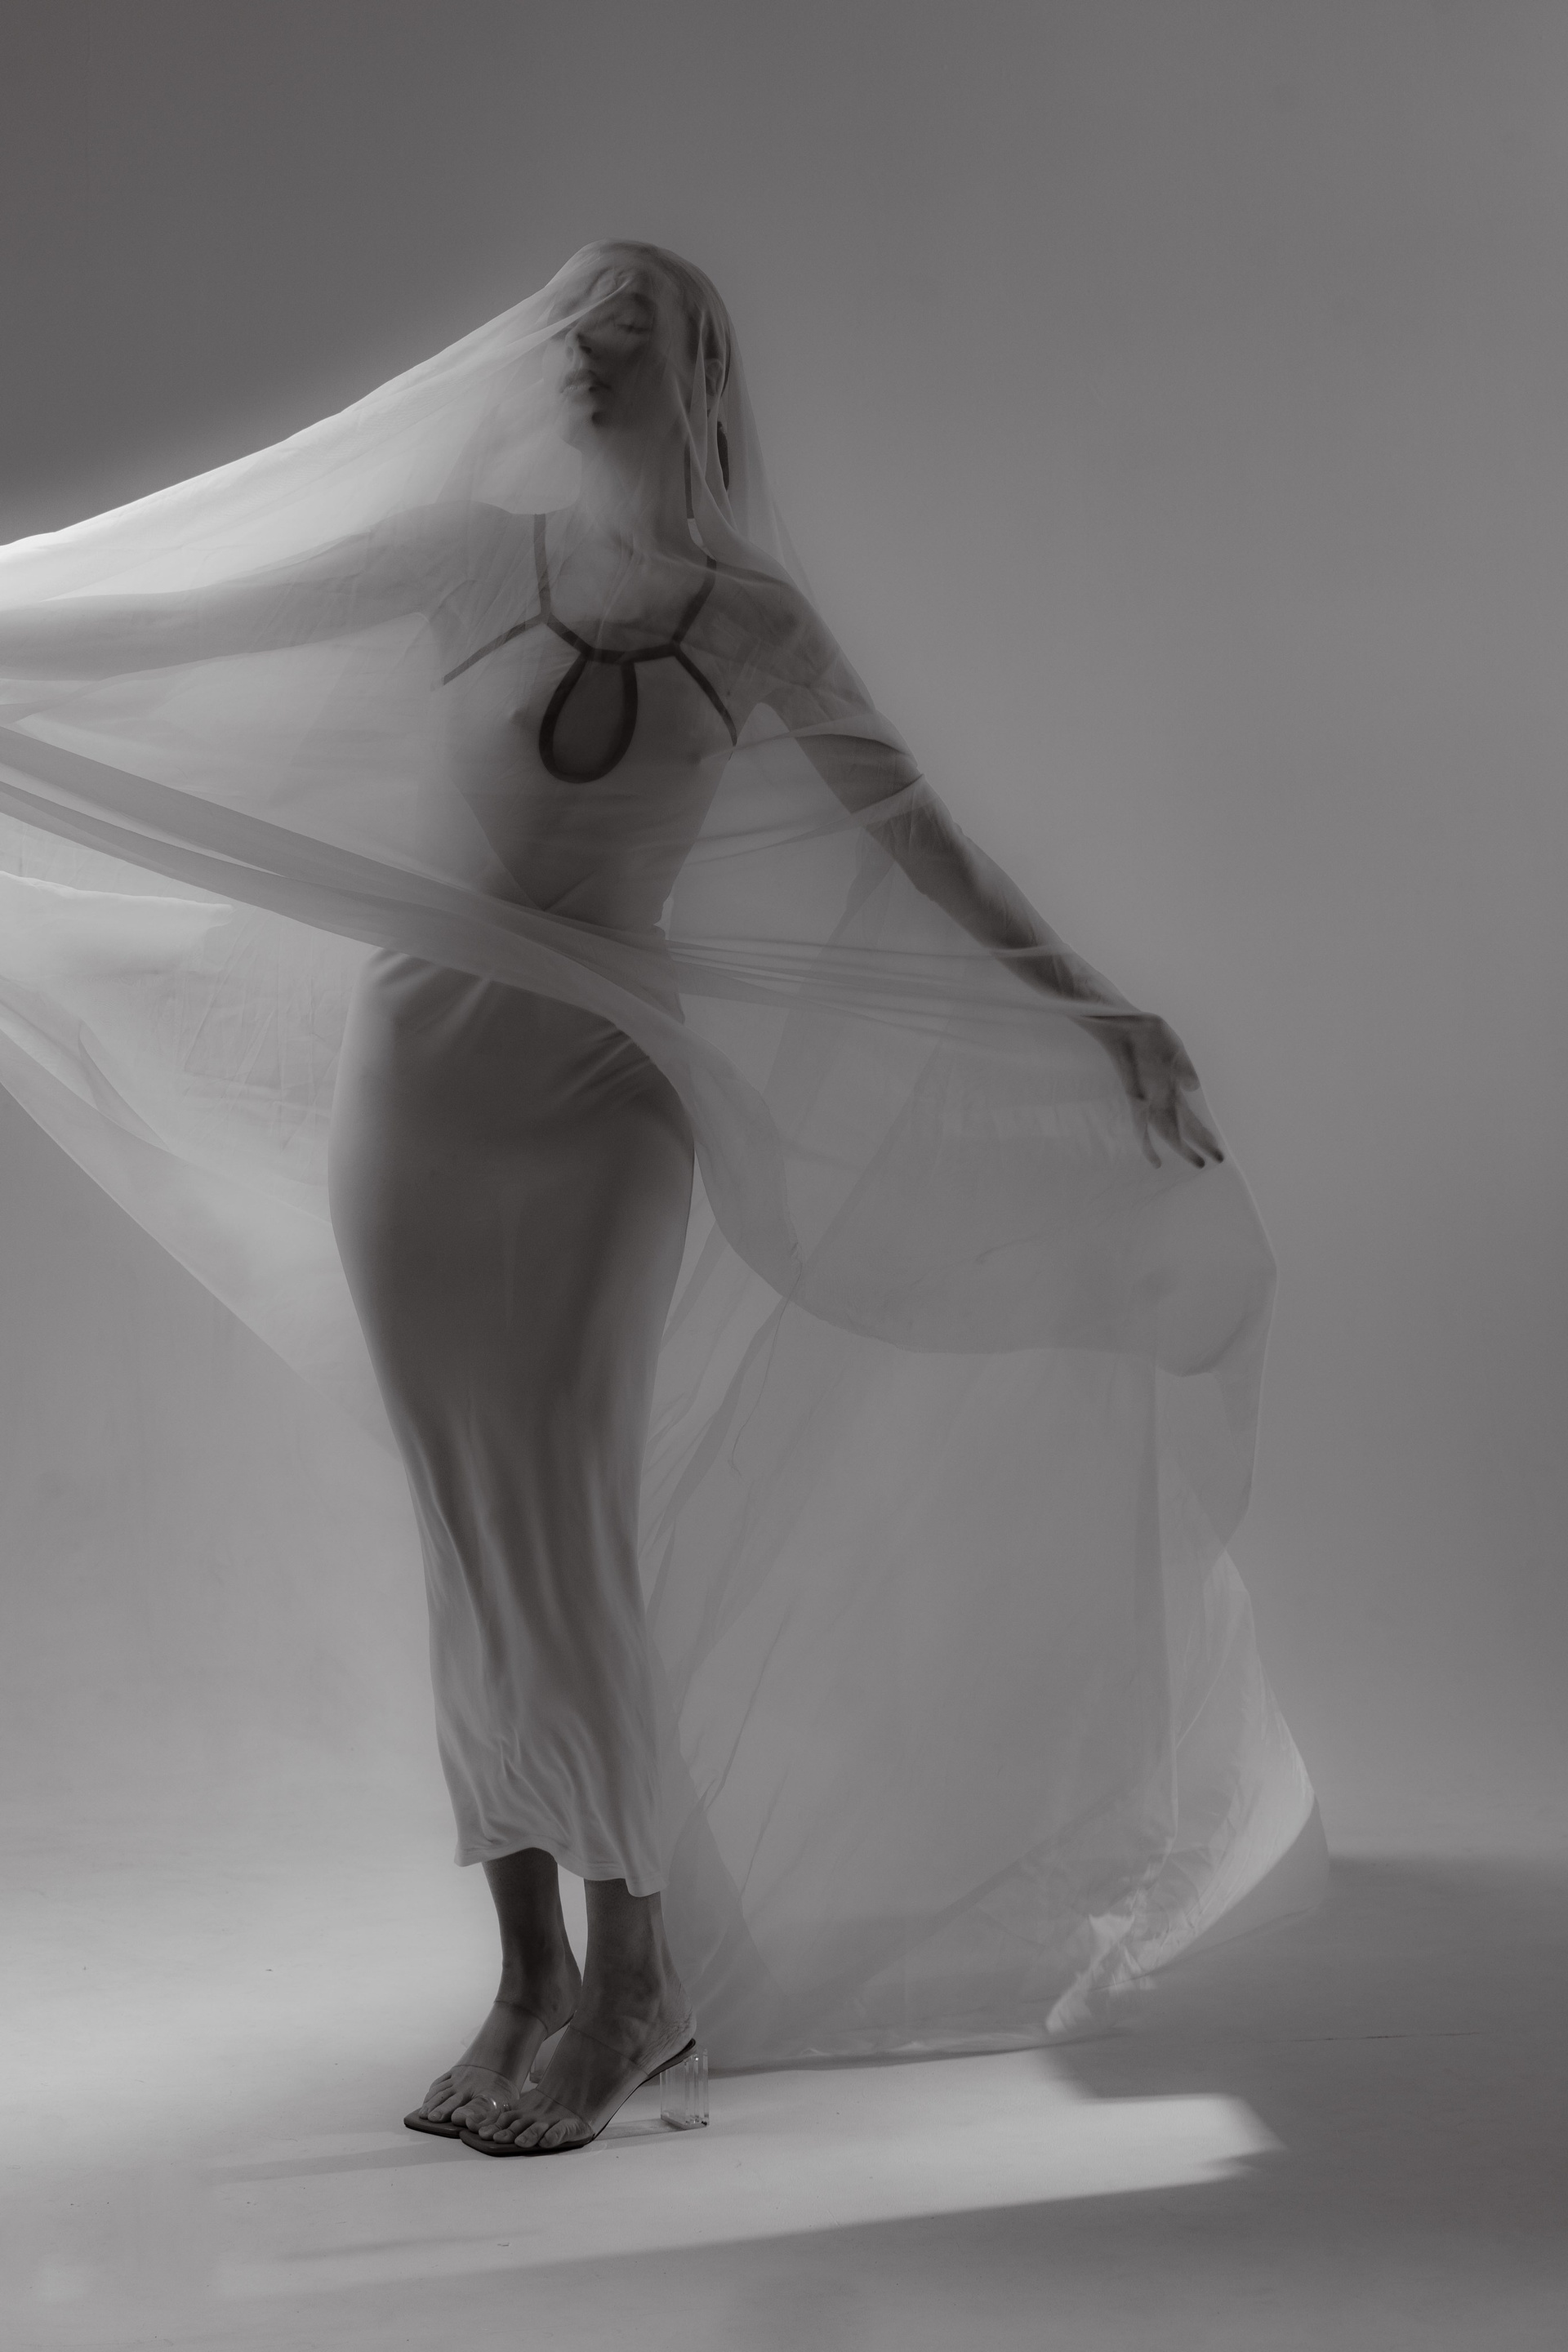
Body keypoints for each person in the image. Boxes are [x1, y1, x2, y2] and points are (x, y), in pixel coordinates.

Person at [0, 243, 1303, 2154]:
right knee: (471, 1530)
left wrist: (1094, 1004)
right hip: (421, 1088)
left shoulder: (750, 622)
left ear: (689, 370)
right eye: (571, 331)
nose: (578, 358)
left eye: (621, 334)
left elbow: (921, 844)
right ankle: (528, 1972)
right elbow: (187, 626)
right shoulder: (464, 559)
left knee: (571, 1522)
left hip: (609, 1098)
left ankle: (638, 1976)